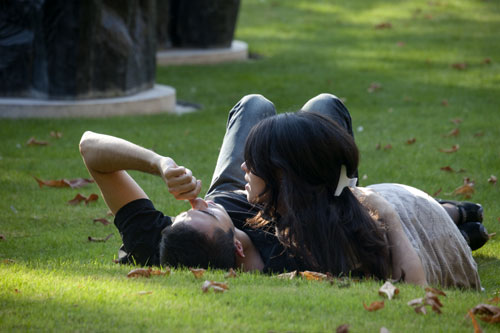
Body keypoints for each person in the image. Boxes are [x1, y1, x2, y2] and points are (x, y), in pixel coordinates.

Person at [79, 94, 485, 289]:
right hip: (285, 194)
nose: (195, 203)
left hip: (243, 187)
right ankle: (448, 219)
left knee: (254, 105)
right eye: (203, 212)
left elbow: (90, 147)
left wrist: (160, 164)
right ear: (236, 248)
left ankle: (448, 214)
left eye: (187, 210)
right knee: (323, 109)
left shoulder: (164, 241)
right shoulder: (302, 248)